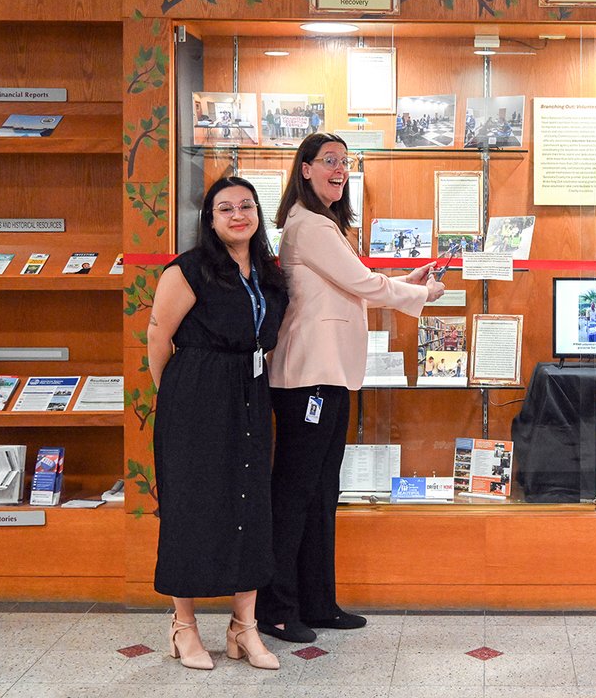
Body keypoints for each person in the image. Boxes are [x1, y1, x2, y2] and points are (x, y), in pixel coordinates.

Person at [257, 132, 444, 643]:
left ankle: (317, 602)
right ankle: (275, 609)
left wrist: (409, 278)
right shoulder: (307, 224)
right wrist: (420, 291)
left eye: (345, 162)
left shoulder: (326, 226)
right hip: (307, 380)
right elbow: (364, 285)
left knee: (322, 492)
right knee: (296, 494)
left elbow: (353, 282)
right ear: (306, 170)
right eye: (329, 161)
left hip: (332, 376)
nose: (340, 169)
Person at [147, 176, 287, 671]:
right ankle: (183, 627)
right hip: (194, 398)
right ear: (209, 219)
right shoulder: (188, 270)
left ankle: (242, 628)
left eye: (246, 206)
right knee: (192, 506)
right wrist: (182, 399)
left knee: (250, 503)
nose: (237, 215)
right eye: (224, 208)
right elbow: (158, 342)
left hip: (250, 392)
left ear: (257, 214)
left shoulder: (269, 274)